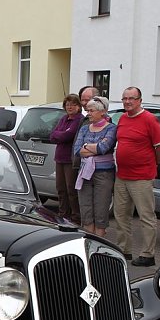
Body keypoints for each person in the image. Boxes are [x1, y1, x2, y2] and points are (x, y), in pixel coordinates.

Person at [113, 87, 160, 267]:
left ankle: (147, 254)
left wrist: (152, 163)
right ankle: (124, 250)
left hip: (141, 177)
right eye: (125, 98)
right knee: (121, 215)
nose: (127, 102)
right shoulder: (122, 118)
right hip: (122, 175)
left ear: (140, 100)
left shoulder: (149, 119)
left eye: (131, 98)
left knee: (146, 216)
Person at [73, 96, 117, 236]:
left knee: (101, 209)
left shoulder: (111, 128)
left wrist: (86, 147)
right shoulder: (85, 129)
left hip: (104, 174)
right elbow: (77, 150)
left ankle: (99, 243)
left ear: (102, 112)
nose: (88, 113)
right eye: (88, 111)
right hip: (85, 172)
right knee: (85, 209)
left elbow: (103, 148)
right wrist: (93, 147)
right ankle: (88, 242)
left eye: (91, 111)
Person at [50, 93, 83, 223]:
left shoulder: (79, 120)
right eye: (67, 104)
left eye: (73, 104)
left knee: (71, 190)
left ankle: (75, 217)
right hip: (59, 158)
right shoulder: (63, 119)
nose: (70, 107)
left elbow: (67, 136)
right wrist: (61, 134)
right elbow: (52, 135)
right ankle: (63, 215)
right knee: (61, 189)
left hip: (70, 160)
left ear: (79, 106)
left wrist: (61, 135)